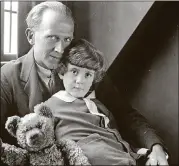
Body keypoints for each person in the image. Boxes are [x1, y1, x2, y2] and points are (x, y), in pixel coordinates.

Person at [0, 1, 168, 165]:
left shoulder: (83, 69)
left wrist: (155, 146)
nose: (60, 49)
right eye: (52, 37)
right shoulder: (7, 76)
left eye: (67, 39)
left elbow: (124, 113)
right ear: (31, 36)